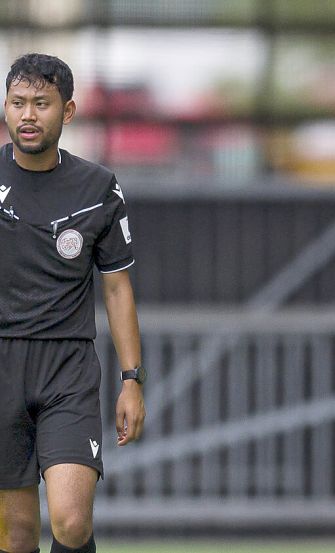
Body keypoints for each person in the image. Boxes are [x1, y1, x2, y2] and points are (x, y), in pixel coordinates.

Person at [0, 53, 146, 553]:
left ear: (69, 110)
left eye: (41, 103)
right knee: (16, 537)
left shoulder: (97, 187)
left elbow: (117, 287)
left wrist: (132, 379)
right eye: (18, 103)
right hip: (2, 364)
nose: (28, 115)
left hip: (67, 367)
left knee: (71, 522)